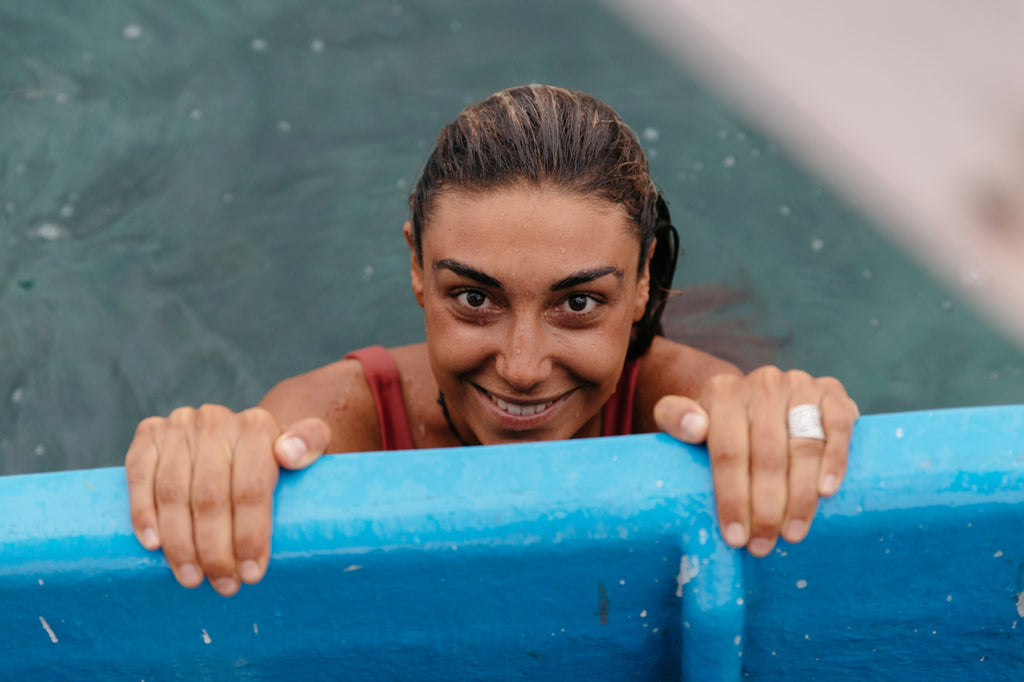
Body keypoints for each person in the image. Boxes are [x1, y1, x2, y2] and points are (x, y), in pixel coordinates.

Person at [124, 84, 859, 597]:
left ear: (640, 287)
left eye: (579, 302)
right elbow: (243, 459)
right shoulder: (334, 424)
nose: (522, 367)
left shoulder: (680, 403)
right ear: (416, 266)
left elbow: (761, 417)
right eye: (474, 299)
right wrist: (205, 457)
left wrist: (789, 416)